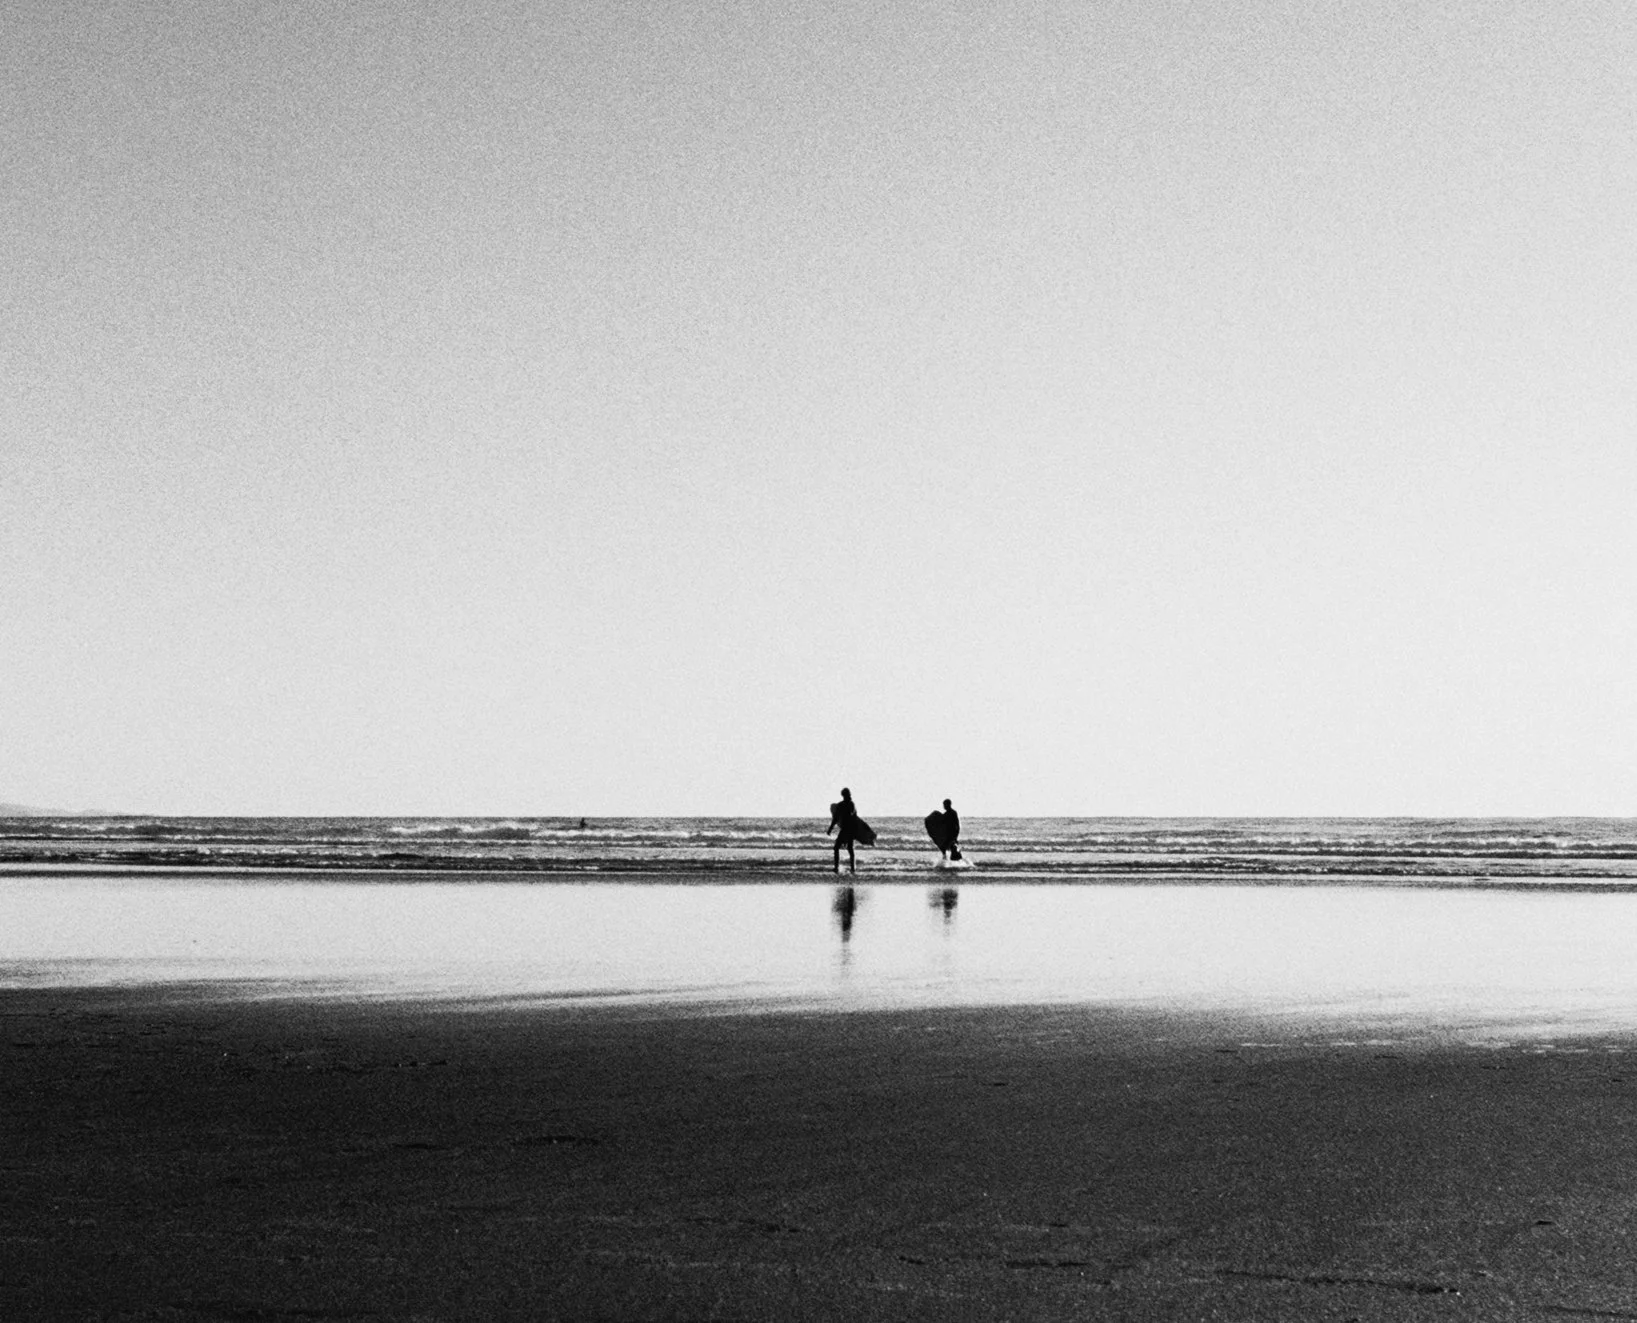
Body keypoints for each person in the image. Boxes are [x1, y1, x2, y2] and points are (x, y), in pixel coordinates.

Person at [828, 787, 861, 875]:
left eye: (849, 794)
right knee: (837, 848)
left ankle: (852, 868)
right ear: (844, 795)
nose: (850, 795)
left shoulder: (849, 804)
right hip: (846, 829)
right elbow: (835, 818)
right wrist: (830, 829)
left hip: (850, 829)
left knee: (849, 849)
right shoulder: (844, 805)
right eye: (848, 794)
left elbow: (853, 816)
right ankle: (837, 867)